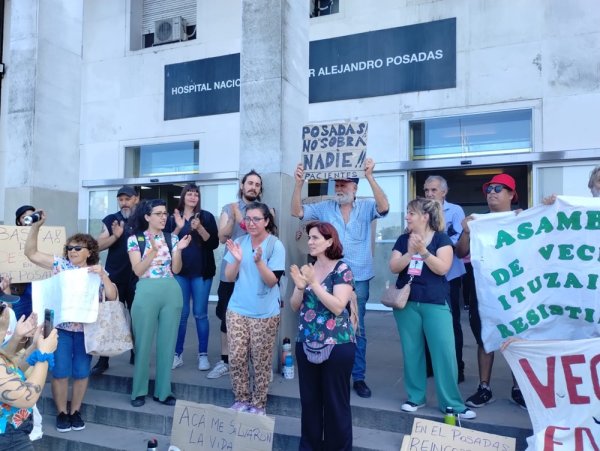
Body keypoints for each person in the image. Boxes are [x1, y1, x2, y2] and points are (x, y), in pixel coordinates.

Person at [292, 158, 389, 398]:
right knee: (331, 321)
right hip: (330, 276)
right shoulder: (325, 208)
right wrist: (298, 183)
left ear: (355, 187)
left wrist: (370, 176)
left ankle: (358, 377)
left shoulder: (366, 207)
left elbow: (385, 207)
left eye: (345, 183)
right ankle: (336, 371)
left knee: (357, 327)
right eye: (337, 183)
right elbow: (297, 212)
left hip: (360, 277)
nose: (339, 187)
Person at [24, 211, 118, 432]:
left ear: (89, 252)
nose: (72, 251)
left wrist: (103, 275)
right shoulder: (60, 265)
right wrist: (36, 227)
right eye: (69, 248)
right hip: (62, 330)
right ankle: (61, 413)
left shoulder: (96, 271)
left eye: (77, 248)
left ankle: (75, 411)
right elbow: (31, 253)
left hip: (87, 330)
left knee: (82, 373)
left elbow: (113, 296)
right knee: (61, 373)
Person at [388, 198, 476, 420]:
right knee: (412, 351)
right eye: (407, 212)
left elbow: (442, 268)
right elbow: (393, 266)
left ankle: (452, 403)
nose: (407, 216)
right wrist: (410, 252)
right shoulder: (402, 239)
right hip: (406, 303)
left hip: (435, 302)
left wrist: (423, 252)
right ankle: (415, 397)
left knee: (444, 353)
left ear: (425, 217)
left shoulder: (441, 239)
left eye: (411, 213)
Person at [455, 173, 526, 409]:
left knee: (516, 339)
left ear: (511, 195)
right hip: (483, 289)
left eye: (498, 188)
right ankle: (484, 388)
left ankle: (519, 388)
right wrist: (465, 231)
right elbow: (460, 252)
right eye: (489, 189)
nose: (492, 192)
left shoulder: (523, 220)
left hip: (514, 290)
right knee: (484, 338)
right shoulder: (478, 223)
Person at [290, 221, 356, 450]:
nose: (310, 241)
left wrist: (314, 284)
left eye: (316, 237)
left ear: (330, 241)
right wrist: (300, 286)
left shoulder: (342, 269)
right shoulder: (308, 268)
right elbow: (294, 306)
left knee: (335, 405)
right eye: (309, 237)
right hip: (306, 343)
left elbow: (338, 306)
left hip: (337, 345)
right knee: (309, 403)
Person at [127, 199, 191, 407]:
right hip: (146, 289)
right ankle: (139, 390)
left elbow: (177, 269)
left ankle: (164, 391)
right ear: (147, 217)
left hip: (171, 290)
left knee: (167, 343)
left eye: (165, 213)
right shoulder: (135, 239)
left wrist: (179, 250)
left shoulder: (172, 238)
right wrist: (153, 252)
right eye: (158, 213)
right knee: (142, 343)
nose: (164, 217)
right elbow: (137, 270)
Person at [224, 201, 284, 415]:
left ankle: (259, 403)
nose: (251, 223)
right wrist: (238, 261)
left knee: (261, 359)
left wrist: (259, 262)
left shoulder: (274, 245)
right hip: (238, 309)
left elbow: (271, 281)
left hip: (265, 313)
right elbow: (229, 277)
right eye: (248, 218)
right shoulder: (239, 242)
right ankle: (241, 398)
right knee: (237, 356)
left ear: (267, 221)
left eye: (256, 219)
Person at [209, 170, 267, 380]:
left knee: (254, 317)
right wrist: (233, 216)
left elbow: (255, 231)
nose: (253, 187)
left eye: (257, 184)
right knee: (226, 316)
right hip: (231, 272)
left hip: (255, 273)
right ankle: (225, 361)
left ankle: (253, 363)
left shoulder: (265, 210)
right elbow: (222, 237)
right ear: (242, 186)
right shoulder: (228, 208)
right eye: (249, 183)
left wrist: (241, 215)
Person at [167, 184, 219, 371]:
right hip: (180, 272)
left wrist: (200, 228)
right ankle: (177, 354)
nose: (193, 196)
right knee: (181, 314)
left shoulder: (206, 216)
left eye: (196, 194)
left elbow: (213, 243)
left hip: (202, 273)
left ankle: (203, 355)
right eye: (189, 193)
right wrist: (179, 227)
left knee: (200, 313)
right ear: (183, 196)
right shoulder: (174, 218)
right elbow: (167, 242)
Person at [92, 185, 139, 375]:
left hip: (137, 275)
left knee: (137, 317)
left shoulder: (144, 218)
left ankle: (137, 352)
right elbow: (97, 245)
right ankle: (103, 359)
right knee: (110, 316)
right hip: (115, 277)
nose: (124, 202)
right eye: (121, 199)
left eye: (128, 198)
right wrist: (114, 236)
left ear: (136, 198)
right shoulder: (111, 220)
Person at [424, 175, 467, 382]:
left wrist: (432, 243)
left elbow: (457, 241)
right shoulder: (421, 211)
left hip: (450, 275)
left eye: (433, 190)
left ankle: (457, 368)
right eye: (426, 191)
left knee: (452, 323)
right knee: (426, 322)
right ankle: (430, 365)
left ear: (444, 192)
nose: (429, 194)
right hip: (427, 275)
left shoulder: (455, 210)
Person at [0, 304, 58, 450]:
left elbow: (11, 370)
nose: (6, 307)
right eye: (1, 306)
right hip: (9, 438)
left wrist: (32, 346)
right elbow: (26, 396)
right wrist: (44, 355)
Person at [10, 205, 37, 320]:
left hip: (40, 285)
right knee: (20, 321)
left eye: (31, 217)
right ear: (19, 221)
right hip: (19, 288)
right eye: (24, 217)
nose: (28, 220)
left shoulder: (46, 236)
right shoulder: (10, 237)